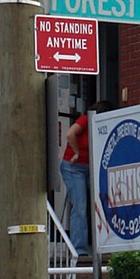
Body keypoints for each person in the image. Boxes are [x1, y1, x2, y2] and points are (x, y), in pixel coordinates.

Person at [58, 100, 103, 258]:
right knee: (80, 206)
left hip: (89, 167)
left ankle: (100, 244)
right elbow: (70, 134)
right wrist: (76, 152)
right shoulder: (85, 119)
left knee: (99, 203)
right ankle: (79, 250)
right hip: (73, 167)